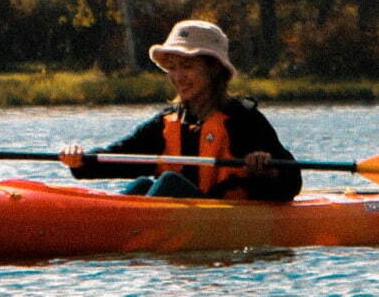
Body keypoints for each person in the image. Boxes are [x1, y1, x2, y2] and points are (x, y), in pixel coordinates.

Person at [59, 20, 302, 201]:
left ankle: (118, 229)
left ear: (214, 69)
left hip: (223, 220)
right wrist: (79, 160)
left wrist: (266, 171)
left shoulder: (244, 120)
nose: (177, 77)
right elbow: (115, 158)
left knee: (169, 182)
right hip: (178, 215)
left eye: (187, 66)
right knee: (143, 183)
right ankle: (106, 224)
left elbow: (291, 184)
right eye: (172, 68)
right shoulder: (166, 122)